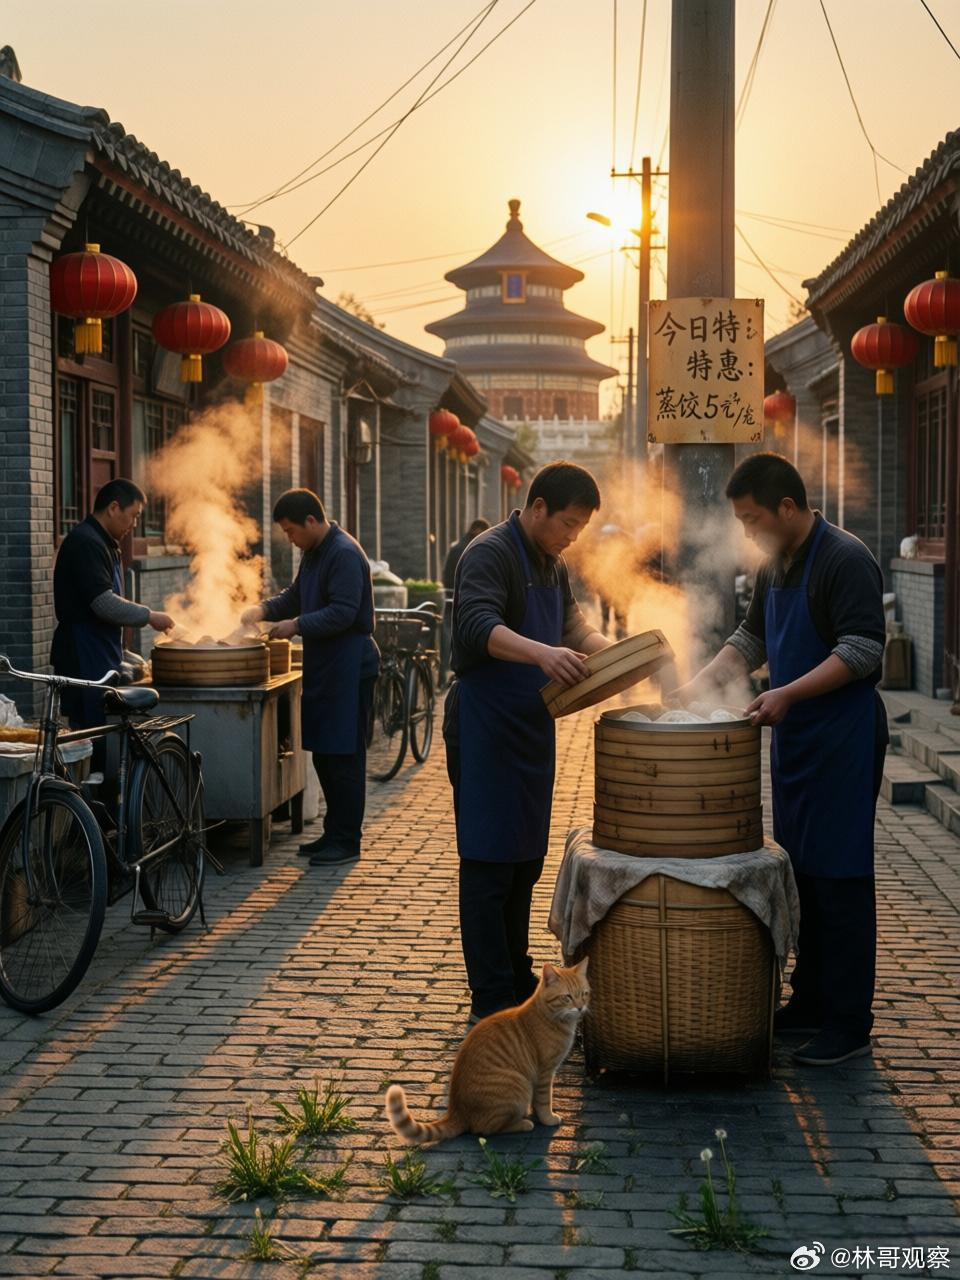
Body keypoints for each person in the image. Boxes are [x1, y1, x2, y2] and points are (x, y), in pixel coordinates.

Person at [672, 453, 888, 1067]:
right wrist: (695, 689)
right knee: (802, 874)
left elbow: (864, 648)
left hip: (841, 737)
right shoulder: (775, 566)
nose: (747, 532)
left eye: (752, 519)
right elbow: (750, 639)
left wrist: (788, 692)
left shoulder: (845, 559)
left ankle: (849, 1021)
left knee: (841, 877)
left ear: (788, 509)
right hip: (796, 742)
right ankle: (811, 999)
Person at [443, 461, 609, 1023]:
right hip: (485, 723)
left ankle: (516, 974)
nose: (571, 536)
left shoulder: (553, 564)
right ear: (537, 507)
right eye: (567, 523)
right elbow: (473, 624)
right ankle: (490, 997)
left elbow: (571, 626)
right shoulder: (489, 553)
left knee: (524, 861)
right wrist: (541, 654)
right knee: (488, 865)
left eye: (580, 528)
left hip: (529, 728)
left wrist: (614, 653)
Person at [241, 489, 379, 867]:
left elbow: (343, 613)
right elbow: (297, 595)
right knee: (324, 755)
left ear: (312, 522)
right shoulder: (314, 552)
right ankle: (333, 833)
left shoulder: (344, 554)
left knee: (345, 757)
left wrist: (296, 625)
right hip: (326, 666)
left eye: (291, 531)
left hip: (350, 667)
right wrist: (263, 609)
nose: (290, 538)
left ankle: (347, 840)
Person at [51, 478, 175, 729]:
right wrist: (149, 616)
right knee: (89, 734)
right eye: (133, 515)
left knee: (102, 730)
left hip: (100, 652)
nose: (135, 524)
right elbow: (103, 603)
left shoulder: (106, 542)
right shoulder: (86, 543)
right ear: (113, 508)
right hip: (82, 654)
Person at [442, 519, 491, 592]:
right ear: (477, 531)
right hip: (464, 593)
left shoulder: (461, 546)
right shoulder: (470, 549)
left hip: (455, 591)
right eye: (486, 534)